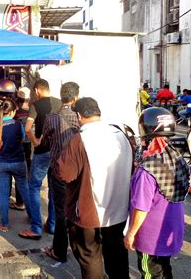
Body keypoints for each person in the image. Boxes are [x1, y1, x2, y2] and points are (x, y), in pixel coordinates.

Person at [56, 97, 131, 278]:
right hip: (119, 209)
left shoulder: (80, 139)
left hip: (90, 210)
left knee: (90, 256)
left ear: (79, 116)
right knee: (117, 255)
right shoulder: (121, 134)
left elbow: (64, 173)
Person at [125, 107, 189, 279]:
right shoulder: (177, 159)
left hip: (150, 238)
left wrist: (130, 233)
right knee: (165, 268)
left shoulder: (147, 170)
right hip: (171, 230)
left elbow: (141, 207)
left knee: (150, 273)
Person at [19, 79, 62, 240]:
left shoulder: (35, 106)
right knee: (53, 187)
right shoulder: (59, 103)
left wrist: (35, 141)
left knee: (34, 187)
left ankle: (36, 227)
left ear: (37, 90)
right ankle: (51, 224)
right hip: (57, 151)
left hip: (42, 150)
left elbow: (27, 128)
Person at [42, 82, 80, 263]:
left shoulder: (51, 118)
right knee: (77, 208)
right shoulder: (81, 118)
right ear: (75, 97)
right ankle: (79, 248)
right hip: (78, 172)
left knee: (60, 210)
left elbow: (46, 137)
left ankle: (59, 250)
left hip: (57, 170)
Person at [0, 98, 31, 233]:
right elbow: (23, 139)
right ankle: (33, 218)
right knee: (25, 191)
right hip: (18, 162)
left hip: (1, 164)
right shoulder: (18, 125)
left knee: (3, 195)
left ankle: (4, 224)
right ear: (12, 112)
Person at [11, 86, 32, 211]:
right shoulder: (33, 112)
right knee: (28, 172)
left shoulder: (15, 113)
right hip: (32, 145)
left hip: (18, 146)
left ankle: (20, 202)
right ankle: (27, 200)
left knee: (19, 174)